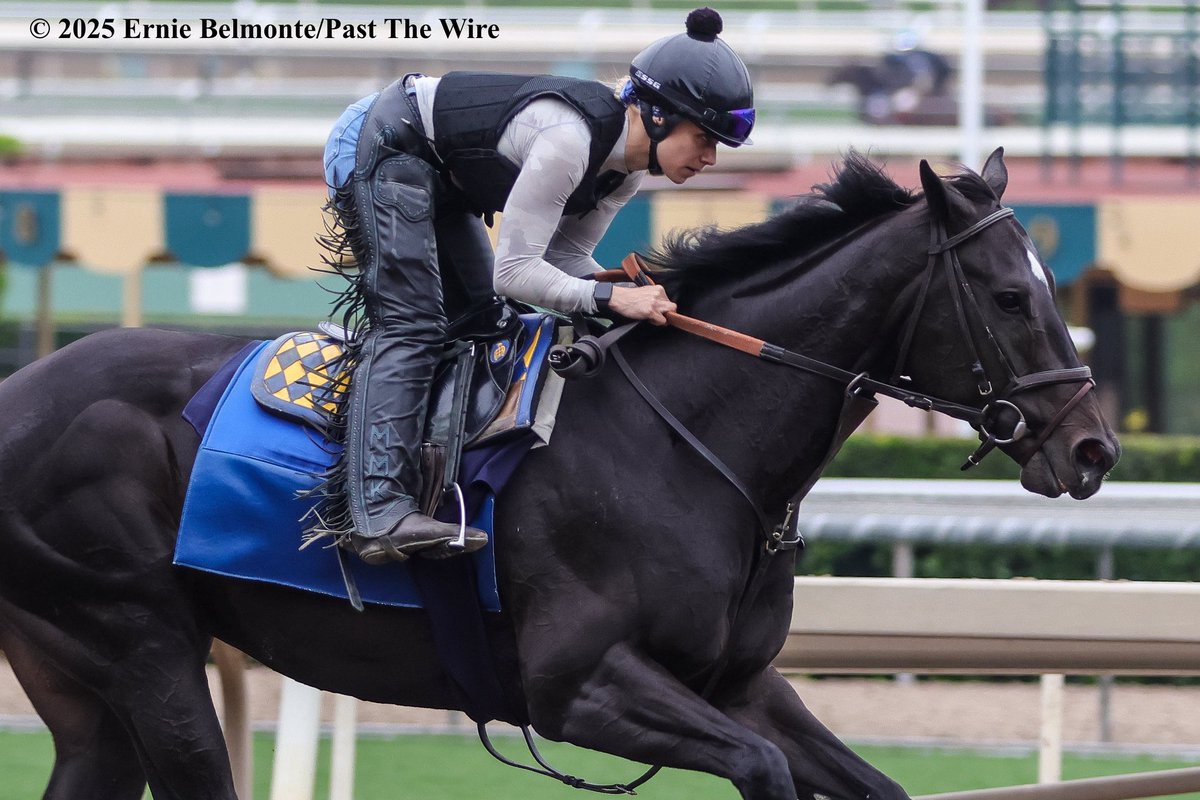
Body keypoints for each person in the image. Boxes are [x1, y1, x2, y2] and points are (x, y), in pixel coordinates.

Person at [318, 6, 755, 565]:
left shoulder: (628, 171)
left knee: (482, 321)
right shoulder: (570, 141)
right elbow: (516, 272)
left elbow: (563, 258)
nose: (710, 159)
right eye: (704, 138)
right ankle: (377, 511)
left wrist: (627, 289)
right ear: (659, 116)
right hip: (386, 143)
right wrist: (612, 298)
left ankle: (440, 476)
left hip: (440, 175)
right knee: (414, 323)